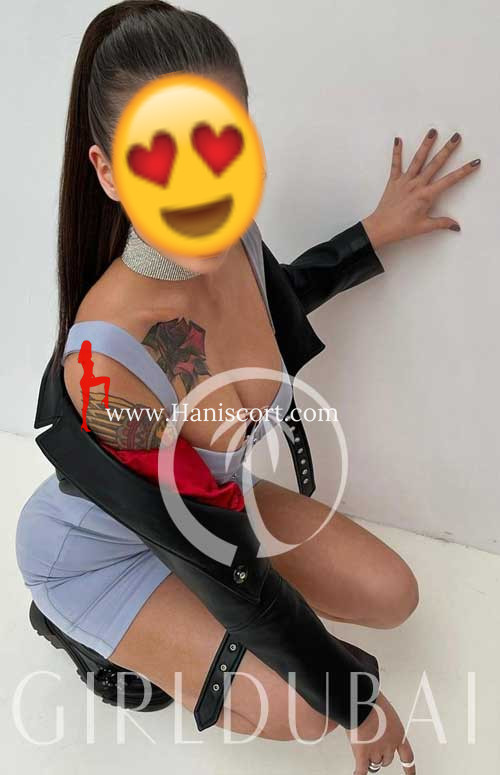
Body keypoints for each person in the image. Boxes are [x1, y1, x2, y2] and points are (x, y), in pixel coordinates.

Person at [15, 2, 481, 772]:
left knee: (394, 592)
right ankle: (86, 637)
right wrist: (352, 697)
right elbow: (216, 562)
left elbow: (275, 299)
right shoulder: (107, 367)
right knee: (309, 706)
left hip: (205, 511)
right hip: (104, 553)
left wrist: (373, 233)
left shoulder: (236, 237)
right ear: (108, 171)